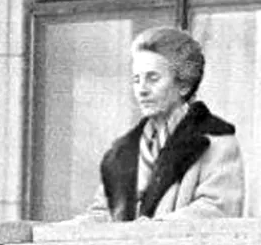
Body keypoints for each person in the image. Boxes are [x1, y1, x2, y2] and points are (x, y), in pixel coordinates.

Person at [82, 26, 244, 221]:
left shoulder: (217, 143)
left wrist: (149, 229)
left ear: (184, 85)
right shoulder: (123, 153)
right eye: (136, 79)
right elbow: (102, 214)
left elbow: (217, 211)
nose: (142, 90)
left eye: (153, 78)